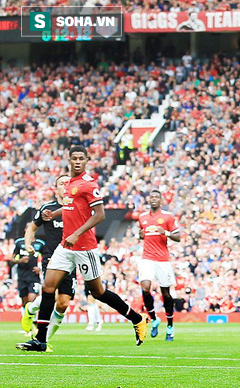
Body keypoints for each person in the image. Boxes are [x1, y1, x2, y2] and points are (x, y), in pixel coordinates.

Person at [16, 145, 148, 352]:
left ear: (86, 161)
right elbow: (72, 207)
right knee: (48, 288)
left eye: (81, 159)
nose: (77, 162)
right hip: (65, 247)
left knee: (98, 292)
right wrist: (55, 214)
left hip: (85, 248)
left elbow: (99, 214)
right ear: (69, 160)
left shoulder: (88, 184)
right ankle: (40, 340)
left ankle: (137, 318)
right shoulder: (70, 184)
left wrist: (77, 233)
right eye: (74, 158)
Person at [21, 175, 79, 347]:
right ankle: (36, 323)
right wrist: (27, 244)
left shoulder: (77, 209)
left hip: (71, 259)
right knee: (50, 296)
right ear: (56, 189)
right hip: (51, 259)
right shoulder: (48, 208)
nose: (65, 186)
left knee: (63, 304)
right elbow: (32, 227)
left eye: (68, 183)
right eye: (62, 183)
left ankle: (42, 335)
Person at [138, 189, 181, 341]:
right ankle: (154, 318)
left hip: (163, 260)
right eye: (152, 197)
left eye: (157, 197)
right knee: (144, 287)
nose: (154, 199)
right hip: (147, 258)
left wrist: (166, 233)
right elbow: (141, 233)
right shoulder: (142, 217)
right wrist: (140, 235)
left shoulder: (167, 217)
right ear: (149, 200)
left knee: (166, 294)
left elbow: (178, 237)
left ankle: (170, 326)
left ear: (161, 200)